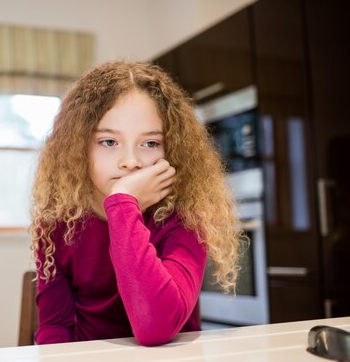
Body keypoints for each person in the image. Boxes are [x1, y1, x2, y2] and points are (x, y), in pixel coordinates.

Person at [29, 61, 241, 347]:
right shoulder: (57, 221)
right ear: (79, 147)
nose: (130, 161)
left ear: (172, 148)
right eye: (108, 142)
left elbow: (156, 328)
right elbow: (55, 327)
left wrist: (121, 205)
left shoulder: (187, 215)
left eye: (150, 143)